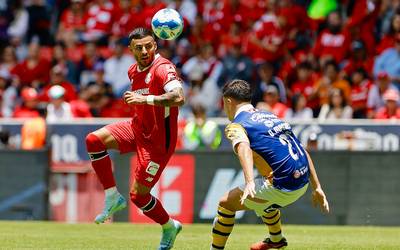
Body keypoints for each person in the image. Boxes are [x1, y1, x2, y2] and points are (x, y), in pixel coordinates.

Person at [85, 27, 184, 250]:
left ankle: (169, 226)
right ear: (131, 49)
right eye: (139, 47)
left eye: (149, 46)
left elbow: (178, 97)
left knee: (138, 196)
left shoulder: (163, 68)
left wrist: (146, 100)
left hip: (158, 142)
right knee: (93, 140)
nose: (145, 50)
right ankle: (112, 196)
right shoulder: (133, 70)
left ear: (155, 46)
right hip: (137, 128)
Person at [211, 79, 329, 250]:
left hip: (283, 186)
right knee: (264, 199)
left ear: (228, 102)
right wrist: (317, 187)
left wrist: (250, 181)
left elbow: (243, 147)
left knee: (225, 203)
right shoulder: (270, 115)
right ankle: (276, 240)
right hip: (303, 181)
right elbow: (301, 150)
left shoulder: (236, 125)